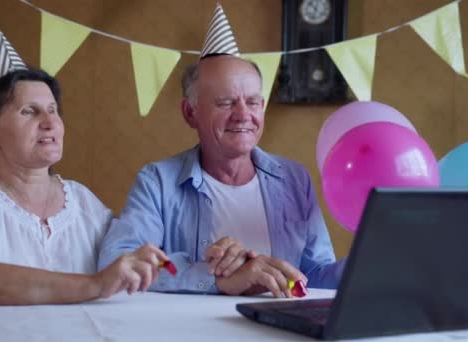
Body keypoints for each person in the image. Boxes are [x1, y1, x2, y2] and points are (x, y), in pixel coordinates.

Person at [0, 68, 168, 313]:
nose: (49, 123)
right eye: (29, 111)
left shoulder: (82, 201)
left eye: (53, 110)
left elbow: (124, 260)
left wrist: (157, 261)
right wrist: (95, 284)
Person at [98, 55, 345, 298]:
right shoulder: (158, 183)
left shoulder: (294, 179)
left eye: (253, 102)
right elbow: (120, 260)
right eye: (226, 102)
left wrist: (368, 263)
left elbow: (315, 275)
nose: (243, 114)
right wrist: (213, 277)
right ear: (190, 112)